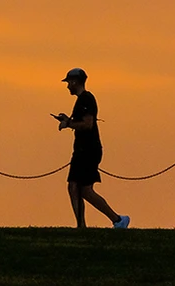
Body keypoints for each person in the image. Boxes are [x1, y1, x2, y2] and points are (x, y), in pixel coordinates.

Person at [53, 68, 129, 229]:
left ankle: (116, 220)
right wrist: (68, 120)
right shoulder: (83, 100)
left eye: (68, 83)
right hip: (83, 150)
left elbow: (87, 124)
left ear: (75, 82)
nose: (67, 87)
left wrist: (68, 124)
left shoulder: (86, 99)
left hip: (88, 150)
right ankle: (88, 224)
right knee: (77, 188)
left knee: (81, 188)